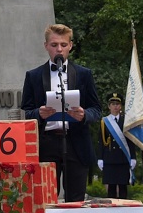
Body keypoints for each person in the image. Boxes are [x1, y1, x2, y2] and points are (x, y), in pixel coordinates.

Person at [21, 23, 99, 203]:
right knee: (45, 200)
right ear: (46, 46)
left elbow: (96, 109)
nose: (59, 49)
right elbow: (25, 112)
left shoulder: (83, 74)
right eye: (54, 45)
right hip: (46, 144)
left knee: (76, 201)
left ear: (70, 46)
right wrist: (38, 113)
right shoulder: (33, 76)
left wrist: (84, 115)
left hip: (76, 142)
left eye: (63, 45)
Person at [98, 95, 134, 199]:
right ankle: (111, 211)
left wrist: (133, 157)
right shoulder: (104, 121)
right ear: (109, 106)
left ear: (121, 106)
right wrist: (100, 157)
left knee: (123, 187)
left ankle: (124, 212)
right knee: (111, 187)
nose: (115, 106)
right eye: (113, 104)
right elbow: (101, 140)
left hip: (123, 158)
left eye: (117, 104)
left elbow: (130, 140)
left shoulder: (126, 121)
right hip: (109, 158)